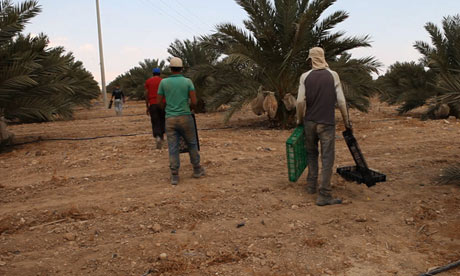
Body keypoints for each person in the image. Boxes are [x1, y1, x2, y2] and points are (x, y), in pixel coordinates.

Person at [296, 47, 352, 206]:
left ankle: (311, 186)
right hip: (326, 123)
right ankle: (324, 194)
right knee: (327, 158)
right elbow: (341, 101)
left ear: (311, 59)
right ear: (323, 57)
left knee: (311, 154)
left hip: (309, 122)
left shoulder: (305, 76)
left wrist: (300, 120)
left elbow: (300, 101)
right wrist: (347, 122)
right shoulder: (333, 75)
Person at [157, 57, 205, 185]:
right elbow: (194, 101)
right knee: (192, 143)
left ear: (170, 69)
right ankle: (197, 169)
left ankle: (174, 175)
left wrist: (167, 110)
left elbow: (158, 102)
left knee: (173, 147)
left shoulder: (163, 83)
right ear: (182, 68)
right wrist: (189, 108)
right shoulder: (188, 82)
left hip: (170, 119)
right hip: (185, 117)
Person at [145, 67, 166, 149]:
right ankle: (162, 135)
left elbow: (146, 94)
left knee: (155, 120)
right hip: (162, 104)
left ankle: (157, 136)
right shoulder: (163, 81)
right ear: (159, 73)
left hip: (153, 104)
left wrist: (147, 106)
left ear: (153, 74)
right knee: (162, 119)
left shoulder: (148, 81)